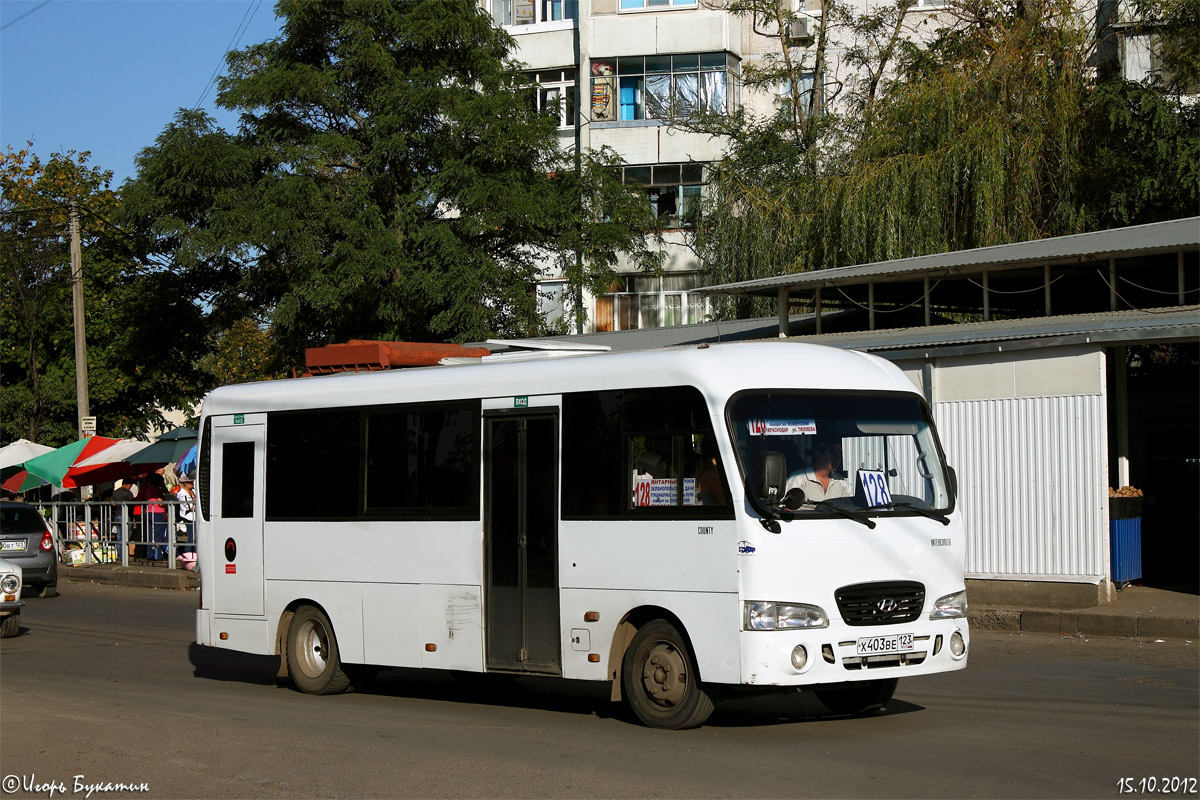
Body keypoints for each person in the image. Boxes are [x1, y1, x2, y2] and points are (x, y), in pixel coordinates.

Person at [785, 440, 850, 504]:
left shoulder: (841, 481)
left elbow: (849, 507)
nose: (838, 456)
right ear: (818, 454)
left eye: (840, 453)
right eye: (834, 452)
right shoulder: (797, 479)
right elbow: (786, 509)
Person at [175, 475, 196, 556]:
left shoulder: (193, 491)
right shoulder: (182, 494)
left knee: (196, 537)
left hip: (195, 517)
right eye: (190, 482)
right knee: (191, 536)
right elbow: (188, 507)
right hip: (188, 517)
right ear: (185, 483)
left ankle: (194, 553)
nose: (192, 483)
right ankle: (187, 554)